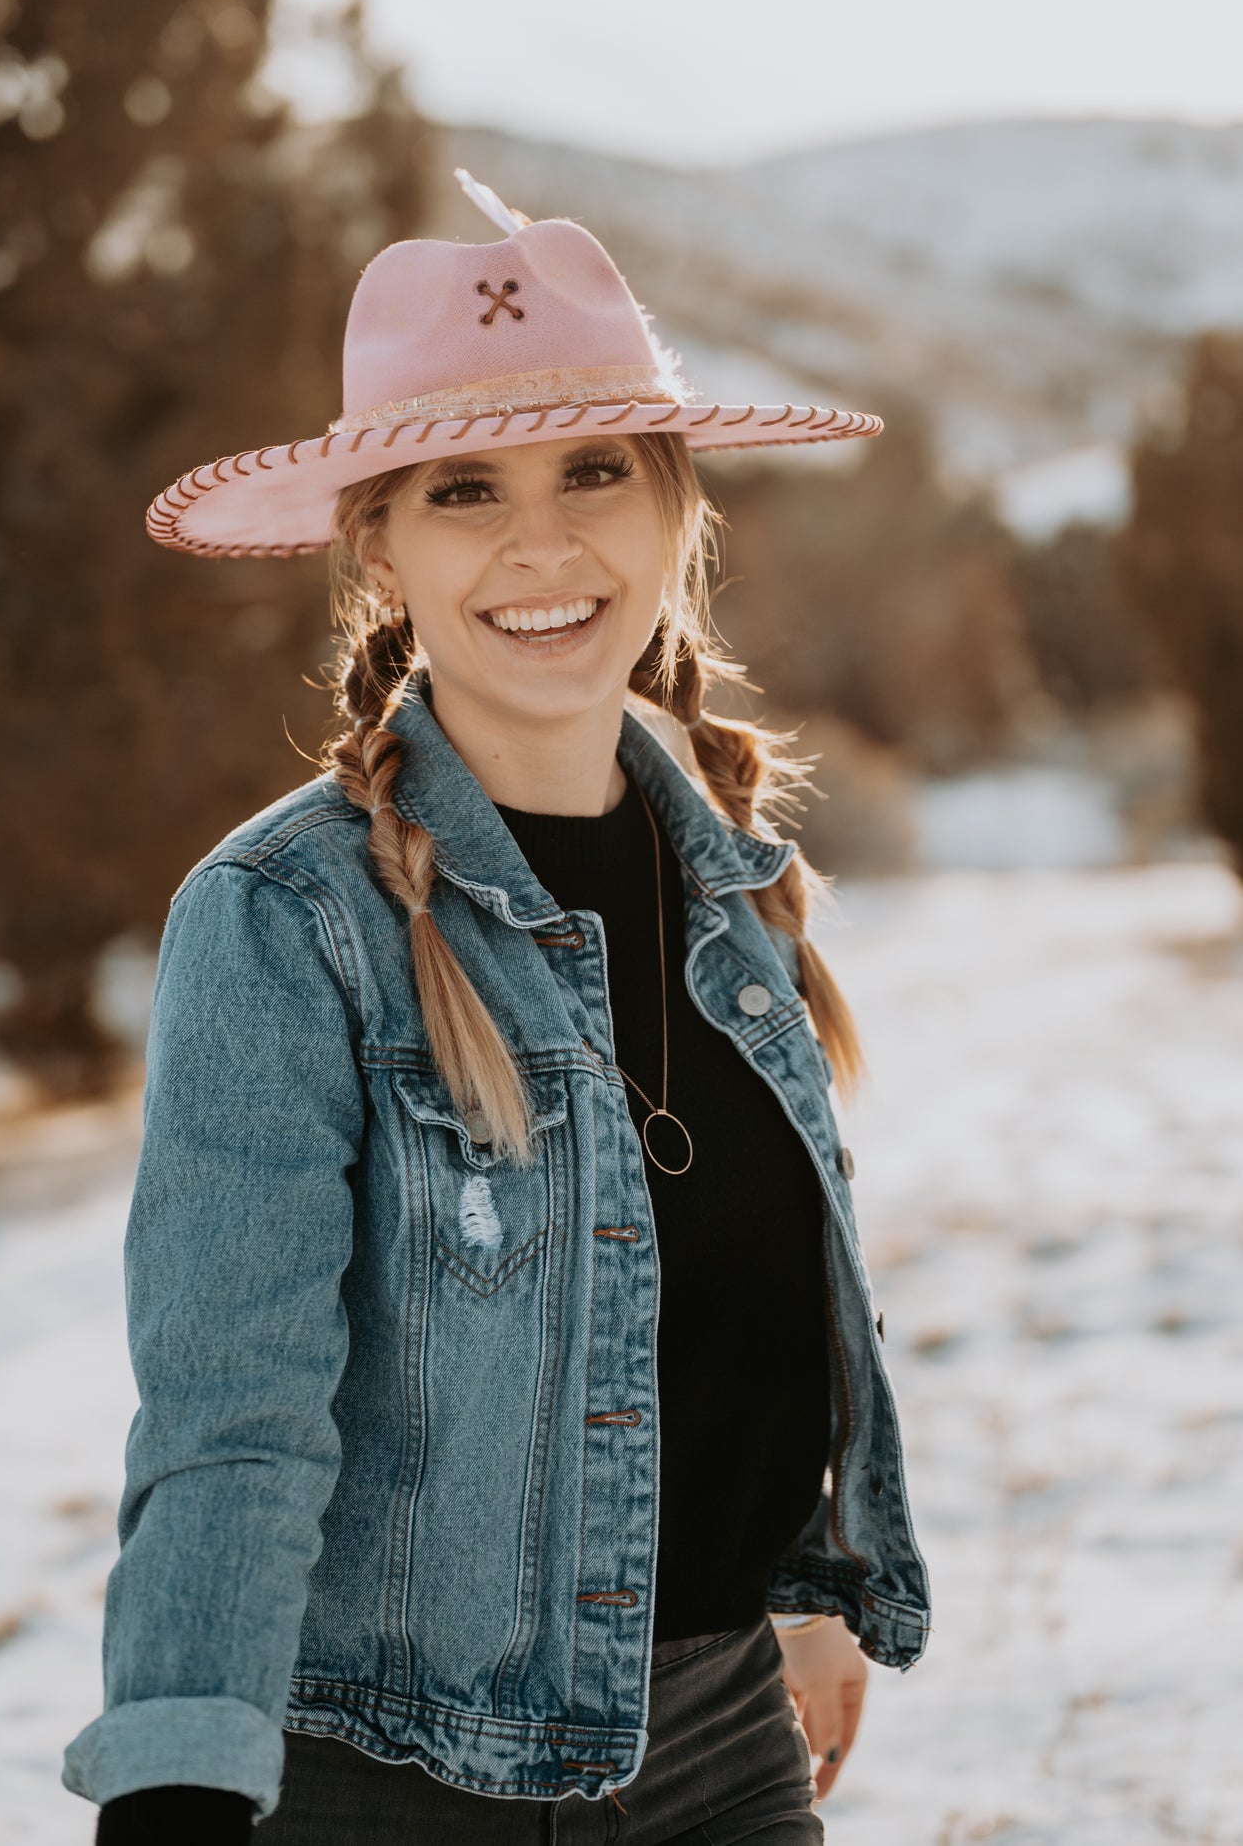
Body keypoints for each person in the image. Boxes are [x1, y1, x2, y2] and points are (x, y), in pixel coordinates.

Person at [63, 172, 931, 1843]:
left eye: (593, 470)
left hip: (715, 1743)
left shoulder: (733, 880)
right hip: (397, 1774)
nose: (544, 543)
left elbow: (736, 1301)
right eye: (465, 489)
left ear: (674, 504)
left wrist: (804, 1589)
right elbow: (231, 1417)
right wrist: (174, 1784)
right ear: (376, 543)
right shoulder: (286, 920)